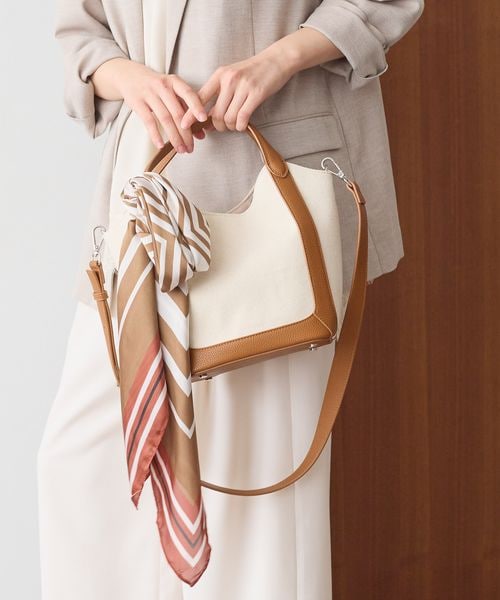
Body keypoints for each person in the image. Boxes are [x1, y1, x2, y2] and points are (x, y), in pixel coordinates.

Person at [37, 1, 425, 598]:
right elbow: (82, 31)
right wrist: (132, 80)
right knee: (79, 463)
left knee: (256, 493)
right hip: (145, 205)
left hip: (272, 206)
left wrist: (279, 60)